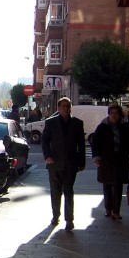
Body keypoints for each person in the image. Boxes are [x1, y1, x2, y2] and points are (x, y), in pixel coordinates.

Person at [41, 97, 86, 231]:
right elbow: (44, 141)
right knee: (55, 192)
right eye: (63, 106)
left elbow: (81, 145)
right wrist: (47, 156)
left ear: (70, 108)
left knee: (68, 191)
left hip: (71, 164)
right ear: (59, 108)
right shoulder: (51, 122)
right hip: (54, 163)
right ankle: (56, 216)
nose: (66, 109)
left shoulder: (77, 123)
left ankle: (69, 220)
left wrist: (81, 162)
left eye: (68, 106)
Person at [91, 104, 129, 220]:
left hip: (120, 159)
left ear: (120, 114)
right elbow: (95, 142)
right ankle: (108, 208)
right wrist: (96, 156)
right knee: (107, 184)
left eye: (116, 113)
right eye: (112, 113)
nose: (114, 115)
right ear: (109, 114)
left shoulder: (125, 126)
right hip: (106, 159)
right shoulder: (102, 126)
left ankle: (116, 211)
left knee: (118, 185)